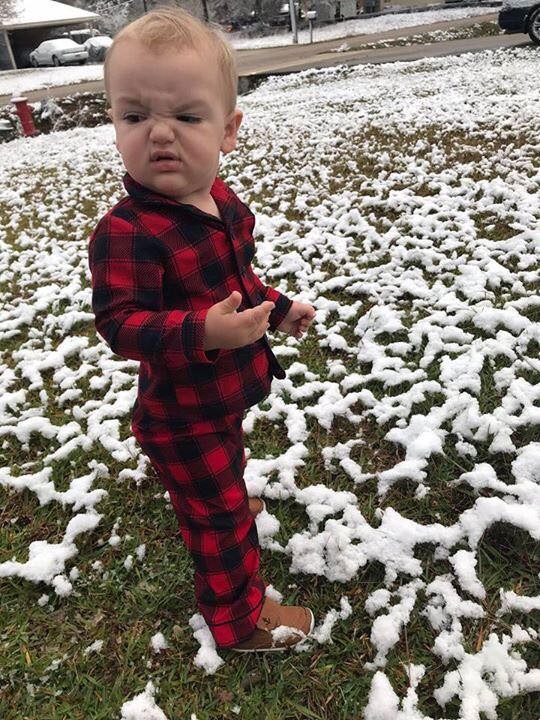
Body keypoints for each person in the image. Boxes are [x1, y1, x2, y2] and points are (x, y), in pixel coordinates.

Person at [88, 7, 316, 653]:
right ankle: (239, 621)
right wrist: (203, 334)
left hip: (224, 397)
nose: (160, 134)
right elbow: (121, 323)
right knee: (217, 523)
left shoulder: (224, 204)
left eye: (186, 117)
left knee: (227, 470)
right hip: (181, 415)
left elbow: (236, 282)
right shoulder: (126, 231)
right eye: (135, 116)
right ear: (115, 127)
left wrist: (275, 306)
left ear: (228, 131)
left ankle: (221, 499)